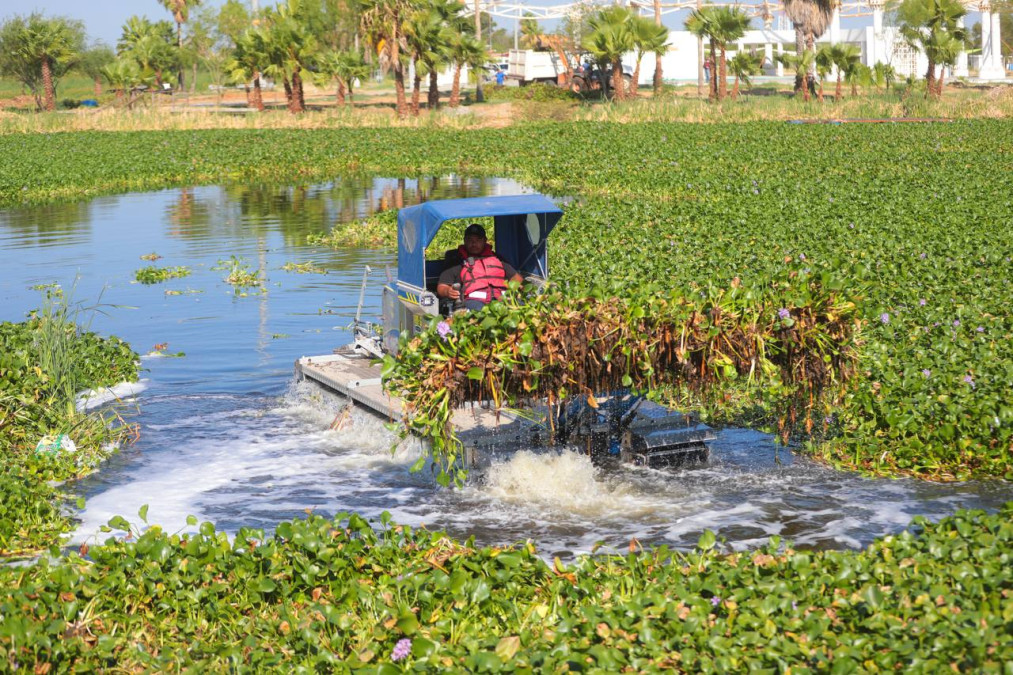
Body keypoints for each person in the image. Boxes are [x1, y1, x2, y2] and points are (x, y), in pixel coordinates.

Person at [437, 223, 522, 311]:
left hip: (502, 297)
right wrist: (447, 291)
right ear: (465, 241)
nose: (474, 243)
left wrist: (512, 290)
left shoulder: (497, 258)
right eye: (470, 239)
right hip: (474, 301)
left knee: (520, 308)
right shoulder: (456, 261)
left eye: (478, 239)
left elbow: (517, 277)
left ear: (485, 240)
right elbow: (441, 287)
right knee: (480, 313)